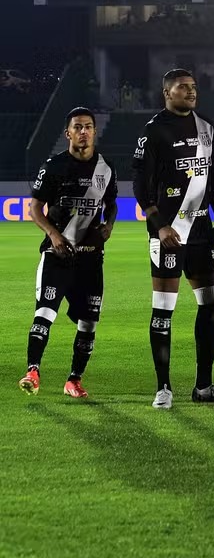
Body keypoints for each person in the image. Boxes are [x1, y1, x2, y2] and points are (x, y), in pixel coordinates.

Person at [132, 69, 214, 409]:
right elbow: (140, 186)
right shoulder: (153, 131)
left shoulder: (207, 127)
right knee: (164, 310)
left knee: (211, 304)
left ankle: (203, 387)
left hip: (203, 230)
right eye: (183, 87)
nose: (191, 92)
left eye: (194, 87)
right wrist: (159, 226)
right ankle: (163, 387)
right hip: (171, 232)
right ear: (167, 93)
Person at [18, 107, 117, 398]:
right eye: (77, 127)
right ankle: (32, 372)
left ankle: (74, 380)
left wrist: (108, 226)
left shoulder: (106, 168)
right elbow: (34, 207)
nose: (83, 131)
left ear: (94, 131)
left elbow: (111, 204)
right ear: (68, 133)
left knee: (89, 322)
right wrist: (53, 234)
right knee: (45, 312)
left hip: (90, 258)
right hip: (57, 255)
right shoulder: (54, 166)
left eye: (88, 126)